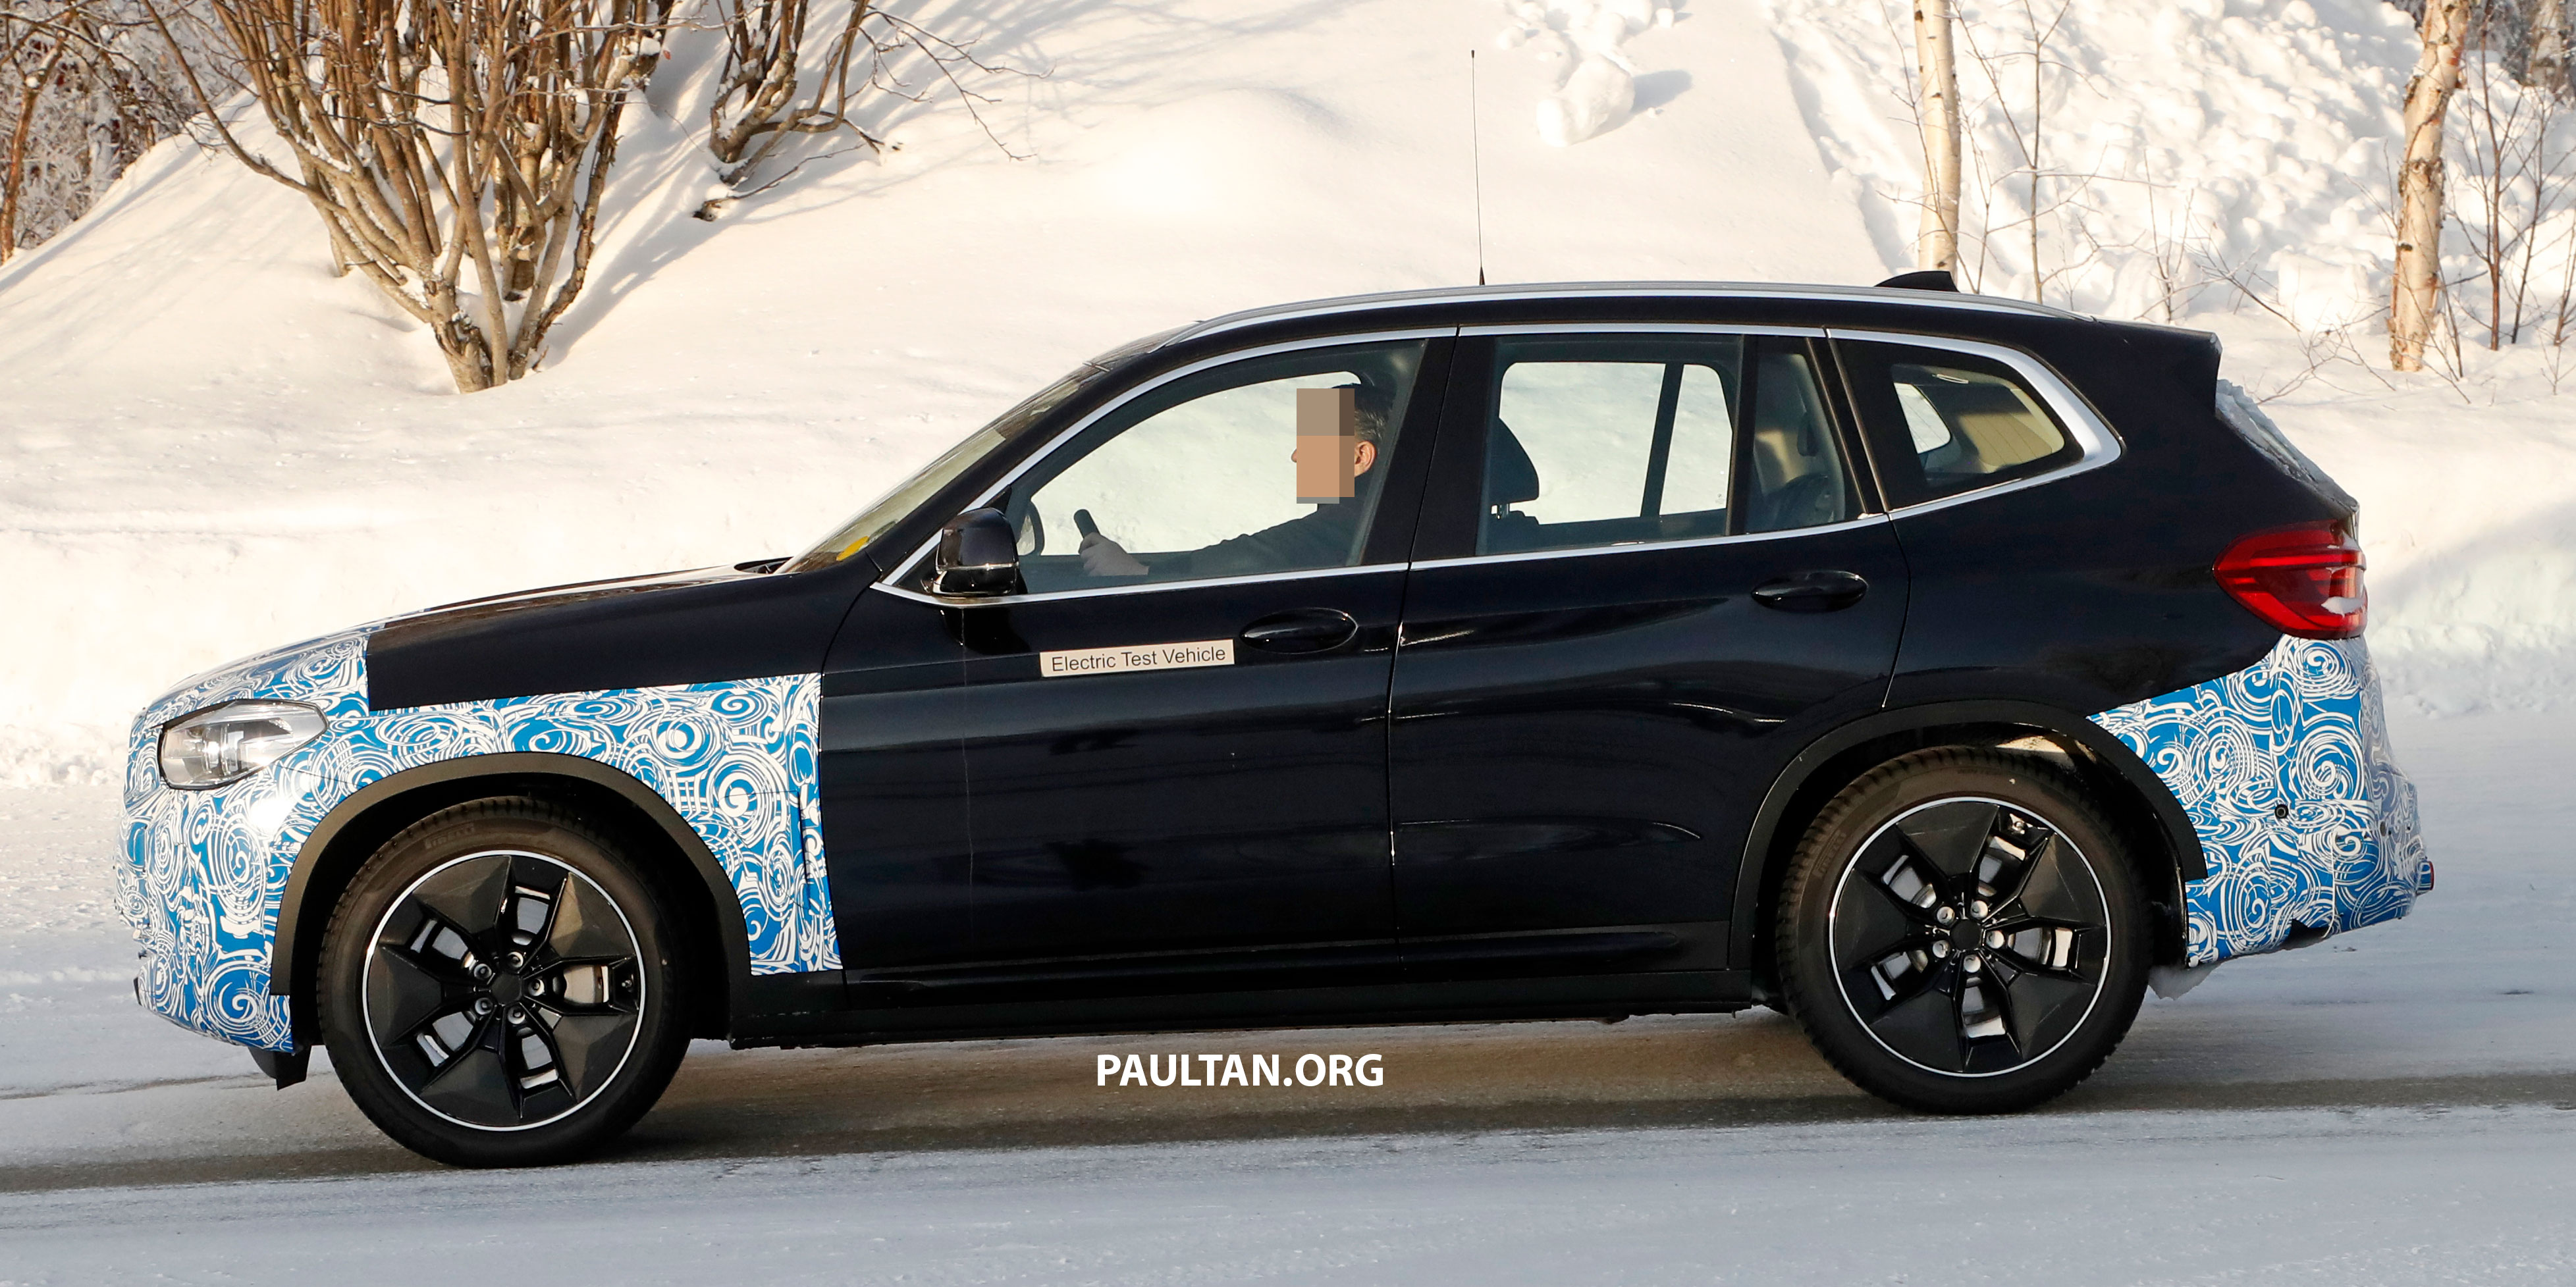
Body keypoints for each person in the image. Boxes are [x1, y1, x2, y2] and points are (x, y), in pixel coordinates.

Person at [1077, 384, 1389, 580]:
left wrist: (1141, 574)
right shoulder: (1369, 514)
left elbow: (1257, 556)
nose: (1296, 456)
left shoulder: (1360, 523)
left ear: (1359, 457)